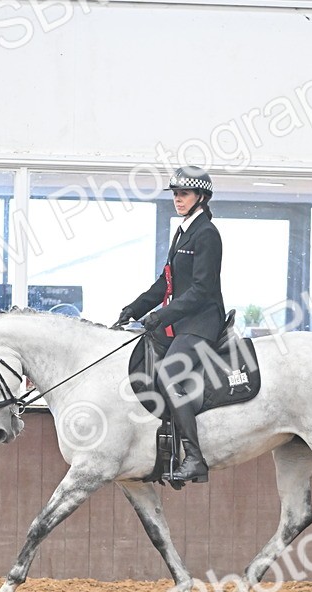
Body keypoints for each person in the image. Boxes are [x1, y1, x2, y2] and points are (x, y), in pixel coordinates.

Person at [116, 166, 225, 483]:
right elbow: (166, 284)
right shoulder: (182, 232)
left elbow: (201, 290)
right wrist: (134, 309)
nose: (178, 199)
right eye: (176, 194)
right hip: (183, 321)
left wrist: (160, 317)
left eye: (184, 194)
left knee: (168, 373)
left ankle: (194, 457)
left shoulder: (207, 234)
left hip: (203, 321)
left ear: (201, 197)